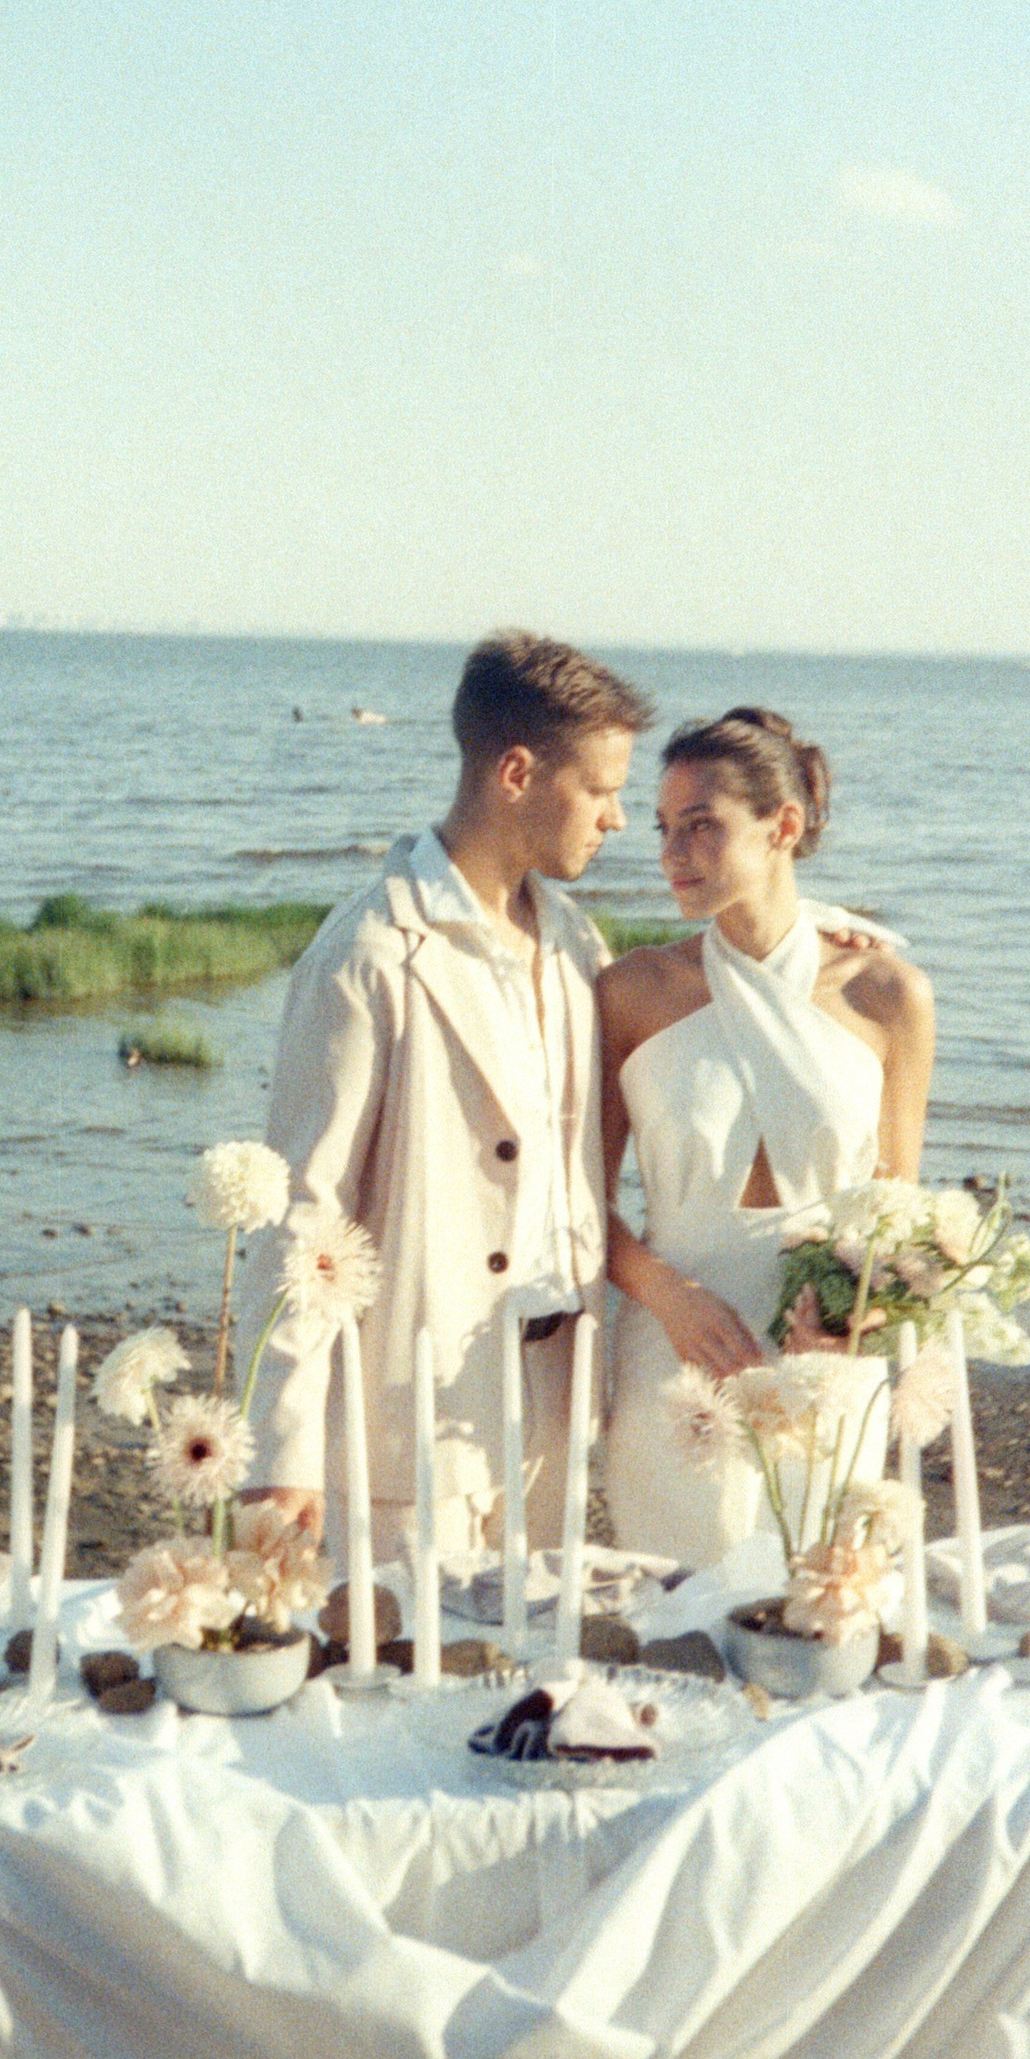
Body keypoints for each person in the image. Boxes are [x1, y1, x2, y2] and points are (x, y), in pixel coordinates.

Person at [247, 628, 655, 1554]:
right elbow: (306, 1212)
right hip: (408, 1420)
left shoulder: (576, 942)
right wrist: (282, 1447)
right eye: (600, 789)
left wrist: (821, 942)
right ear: (516, 773)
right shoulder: (370, 954)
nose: (618, 818)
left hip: (550, 1412)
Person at [599, 706, 934, 1566]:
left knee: (819, 1593)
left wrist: (855, 1319)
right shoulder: (633, 992)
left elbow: (897, 1209)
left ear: (782, 826)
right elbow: (578, 1204)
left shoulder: (886, 994)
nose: (672, 854)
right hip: (674, 1344)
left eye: (701, 826)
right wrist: (671, 1297)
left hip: (824, 1349)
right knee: (679, 1604)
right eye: (665, 828)